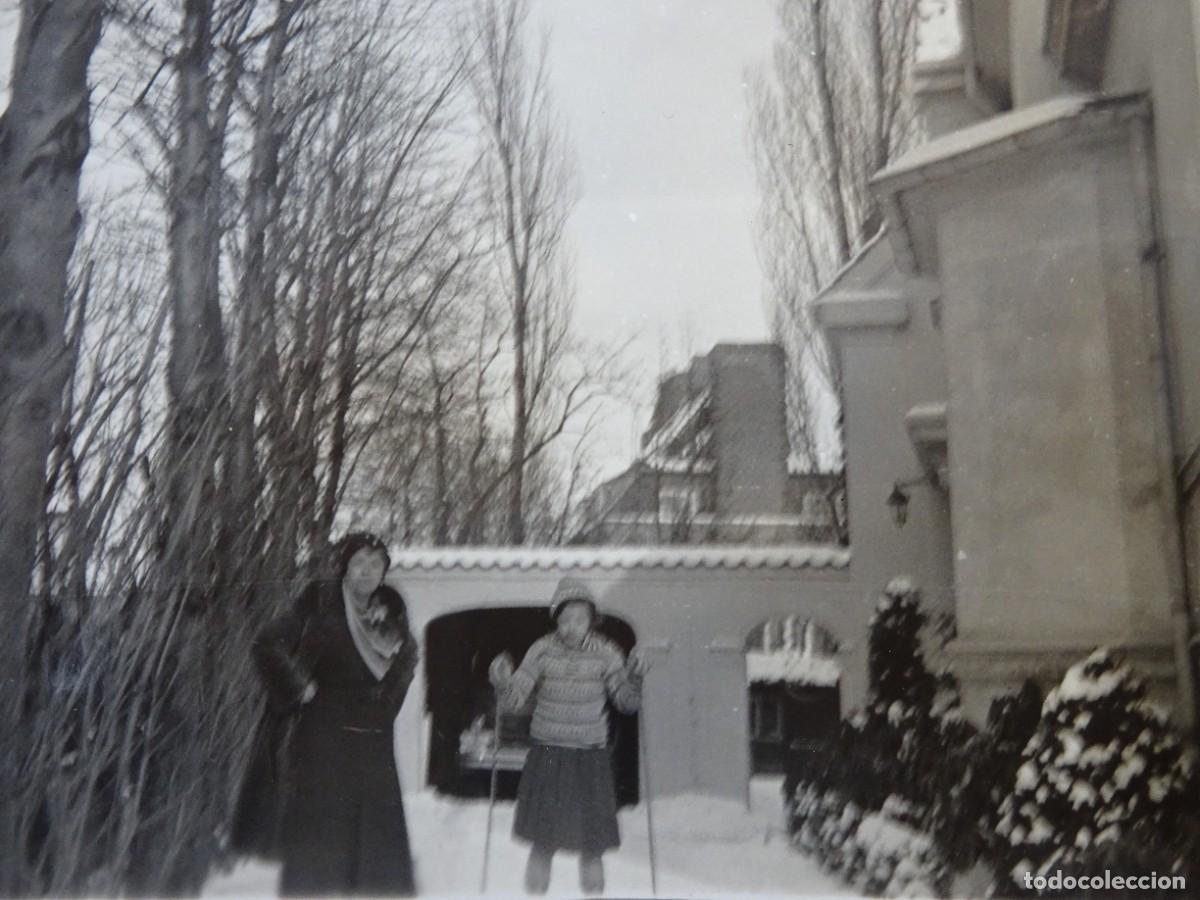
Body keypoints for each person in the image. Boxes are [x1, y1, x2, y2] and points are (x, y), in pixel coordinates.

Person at [241, 532, 419, 896]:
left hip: (372, 744)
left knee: (373, 855)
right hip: (323, 738)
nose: (367, 571)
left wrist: (385, 708)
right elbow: (267, 644)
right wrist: (297, 686)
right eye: (359, 563)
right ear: (344, 568)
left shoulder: (392, 616)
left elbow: (407, 663)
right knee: (319, 850)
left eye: (376, 565)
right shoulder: (319, 604)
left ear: (384, 572)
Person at [489, 577, 648, 896]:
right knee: (542, 843)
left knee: (592, 847)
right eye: (564, 619)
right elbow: (515, 698)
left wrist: (635, 676)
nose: (570, 626)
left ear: (591, 620)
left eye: (578, 618)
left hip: (590, 758)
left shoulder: (607, 653)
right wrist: (502, 681)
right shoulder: (541, 649)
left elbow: (627, 703)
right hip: (548, 756)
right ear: (555, 619)